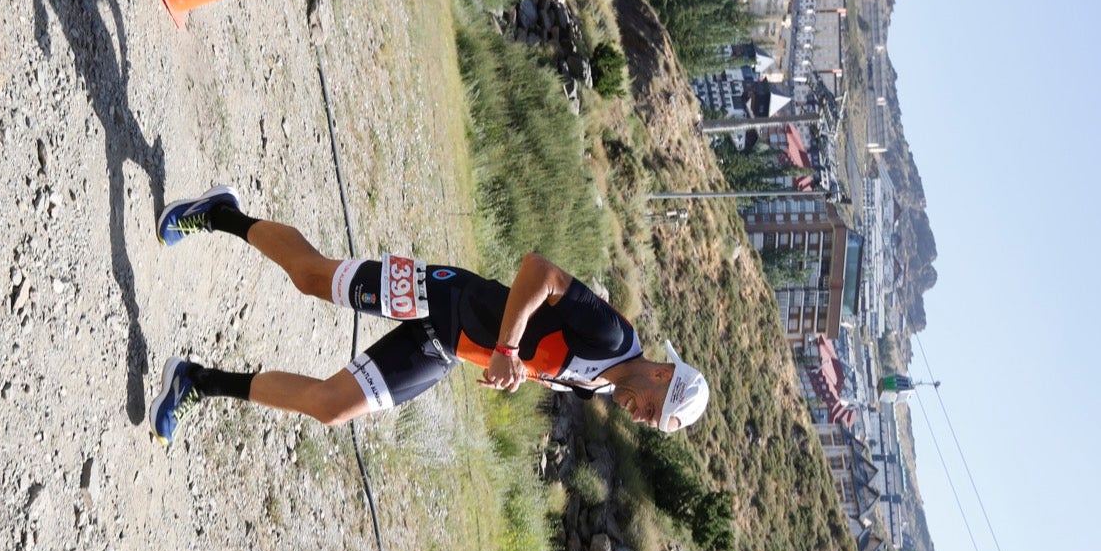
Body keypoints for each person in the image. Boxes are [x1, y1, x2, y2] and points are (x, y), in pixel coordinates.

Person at [145, 186, 709, 446]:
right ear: (662, 374)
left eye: (651, 424)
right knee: (311, 277)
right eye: (652, 410)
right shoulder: (612, 337)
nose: (640, 418)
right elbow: (538, 270)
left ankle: (197, 382)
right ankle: (220, 214)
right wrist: (509, 350)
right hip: (439, 298)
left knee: (331, 408)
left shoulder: (606, 385)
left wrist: (507, 361)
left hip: (444, 349)